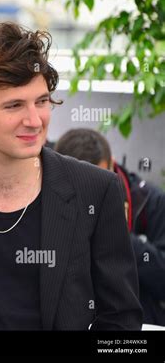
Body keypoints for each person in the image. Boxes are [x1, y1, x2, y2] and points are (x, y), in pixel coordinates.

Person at [0, 22, 142, 330]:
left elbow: (122, 320)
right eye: (14, 105)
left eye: (42, 101)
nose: (34, 120)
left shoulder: (95, 189)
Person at [55, 128, 165, 326]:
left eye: (97, 180)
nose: (91, 191)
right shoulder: (49, 197)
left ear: (112, 165)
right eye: (79, 184)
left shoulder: (151, 201)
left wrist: (117, 236)